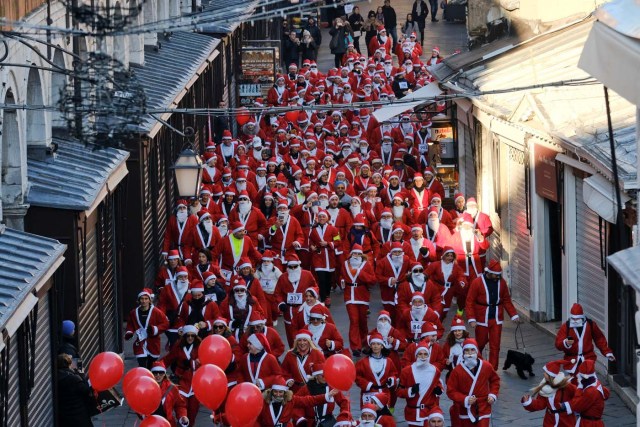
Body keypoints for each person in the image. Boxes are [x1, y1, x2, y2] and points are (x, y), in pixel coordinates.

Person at [466, 260, 520, 370]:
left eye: (499, 275)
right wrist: (471, 318)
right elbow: (469, 301)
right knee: (480, 343)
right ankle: (478, 364)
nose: (497, 278)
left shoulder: (502, 282)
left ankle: (492, 369)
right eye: (495, 275)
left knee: (495, 345)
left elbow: (506, 300)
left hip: (496, 318)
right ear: (488, 273)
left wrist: (513, 314)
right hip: (481, 317)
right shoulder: (477, 282)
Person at [446, 339, 500, 427]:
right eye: (467, 350)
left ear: (477, 351)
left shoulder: (486, 366)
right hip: (465, 408)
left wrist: (493, 394)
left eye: (472, 350)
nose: (470, 353)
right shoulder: (457, 371)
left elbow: (495, 380)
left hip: (483, 406)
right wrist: (464, 399)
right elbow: (450, 391)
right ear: (463, 353)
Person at [554, 303, 615, 375]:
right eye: (573, 318)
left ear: (582, 317)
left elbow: (599, 339)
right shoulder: (566, 326)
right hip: (572, 361)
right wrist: (565, 343)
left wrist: (607, 352)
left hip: (588, 358)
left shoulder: (591, 324)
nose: (575, 320)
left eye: (577, 318)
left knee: (589, 382)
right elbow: (558, 344)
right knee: (574, 383)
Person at [255, 376, 338, 426]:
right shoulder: (263, 402)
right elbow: (256, 420)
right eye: (275, 391)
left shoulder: (291, 400)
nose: (278, 394)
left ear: (285, 392)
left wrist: (327, 395)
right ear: (271, 391)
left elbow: (309, 400)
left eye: (280, 392)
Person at [340, 244, 377, 356]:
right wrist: (341, 281)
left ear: (362, 255)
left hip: (362, 296)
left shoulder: (366, 265)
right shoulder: (345, 264)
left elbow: (373, 280)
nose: (356, 256)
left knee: (362, 321)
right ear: (351, 254)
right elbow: (341, 276)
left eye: (358, 254)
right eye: (354, 253)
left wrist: (361, 273)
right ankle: (355, 347)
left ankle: (365, 344)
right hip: (349, 296)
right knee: (354, 320)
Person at [161, 325, 201, 426]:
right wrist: (157, 368)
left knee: (193, 412)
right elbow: (167, 359)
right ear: (184, 336)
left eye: (193, 336)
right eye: (188, 335)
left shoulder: (200, 347)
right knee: (181, 409)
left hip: (195, 385)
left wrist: (191, 363)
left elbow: (204, 362)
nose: (190, 338)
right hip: (181, 381)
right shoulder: (178, 346)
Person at [397, 340, 444, 425]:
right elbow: (398, 391)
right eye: (420, 354)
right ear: (416, 355)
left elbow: (438, 384)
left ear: (429, 355)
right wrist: (410, 391)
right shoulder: (406, 371)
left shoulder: (435, 370)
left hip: (429, 413)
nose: (423, 357)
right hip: (413, 414)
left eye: (425, 354)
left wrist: (439, 390)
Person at [521, 360, 577, 427]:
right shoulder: (544, 387)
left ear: (551, 375)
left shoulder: (566, 386)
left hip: (566, 420)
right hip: (550, 420)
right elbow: (541, 403)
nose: (543, 374)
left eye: (546, 373)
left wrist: (568, 406)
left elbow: (579, 397)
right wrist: (529, 403)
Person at [125, 288, 169, 368]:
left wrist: (155, 329)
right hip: (140, 343)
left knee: (151, 366)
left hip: (153, 343)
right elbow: (130, 324)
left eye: (146, 299)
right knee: (142, 365)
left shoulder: (156, 312)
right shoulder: (134, 312)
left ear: (149, 300)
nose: (144, 301)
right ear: (139, 300)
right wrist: (129, 332)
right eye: (142, 299)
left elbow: (165, 323)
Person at [558, 360, 609, 427]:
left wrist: (579, 388)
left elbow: (577, 406)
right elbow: (606, 394)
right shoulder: (595, 383)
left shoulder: (590, 391)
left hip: (589, 424)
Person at [355, 332, 398, 409]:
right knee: (368, 416)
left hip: (384, 393)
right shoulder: (363, 362)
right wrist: (366, 384)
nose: (375, 346)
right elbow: (356, 376)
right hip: (368, 394)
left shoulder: (388, 361)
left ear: (382, 346)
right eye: (373, 344)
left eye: (378, 344)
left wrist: (392, 379)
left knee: (383, 418)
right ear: (370, 346)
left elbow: (393, 373)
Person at [56, 353, 93, 427]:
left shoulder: (56, 377)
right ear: (69, 364)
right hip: (78, 414)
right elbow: (86, 390)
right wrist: (82, 375)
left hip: (64, 414)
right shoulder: (73, 378)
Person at [149, 361, 189, 426]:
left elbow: (180, 405)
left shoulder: (172, 388)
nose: (158, 375)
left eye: (161, 372)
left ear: (164, 373)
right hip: (151, 424)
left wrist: (182, 416)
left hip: (168, 423)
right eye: (155, 372)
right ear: (151, 373)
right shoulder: (146, 388)